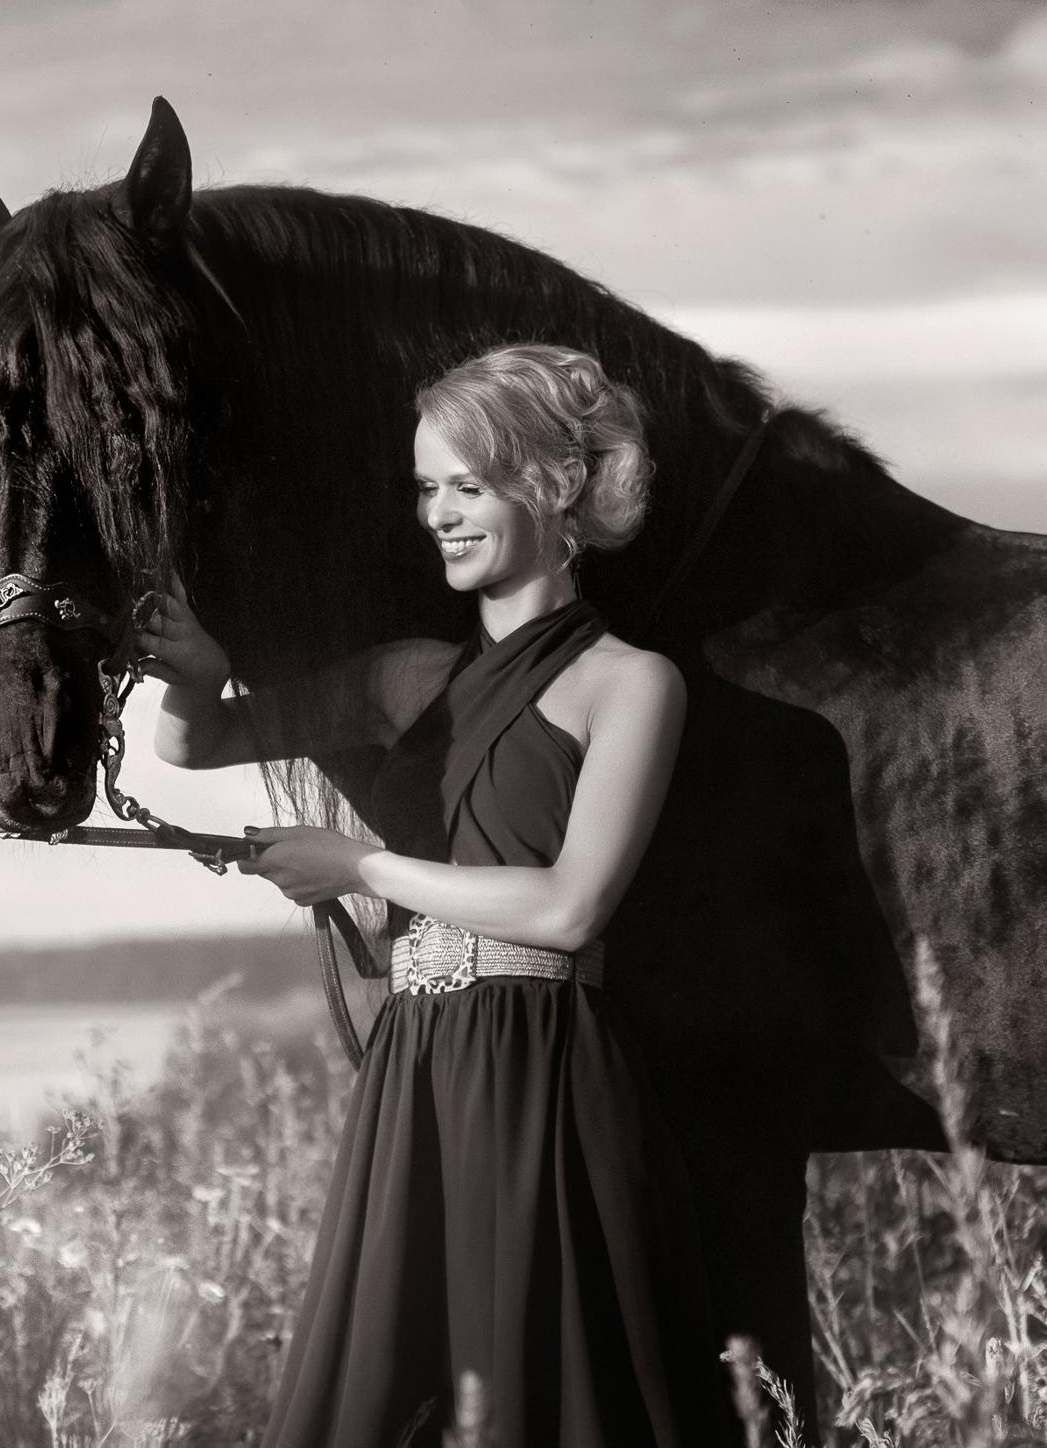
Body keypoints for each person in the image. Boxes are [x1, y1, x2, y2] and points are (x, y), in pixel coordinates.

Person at [138, 343, 736, 1447]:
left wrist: (359, 867)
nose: (439, 516)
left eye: (468, 485)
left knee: (546, 1393)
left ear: (556, 484)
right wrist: (195, 674)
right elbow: (196, 742)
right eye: (426, 488)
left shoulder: (633, 684)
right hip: (413, 1062)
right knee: (376, 1391)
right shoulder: (406, 677)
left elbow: (570, 908)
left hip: (548, 1070)